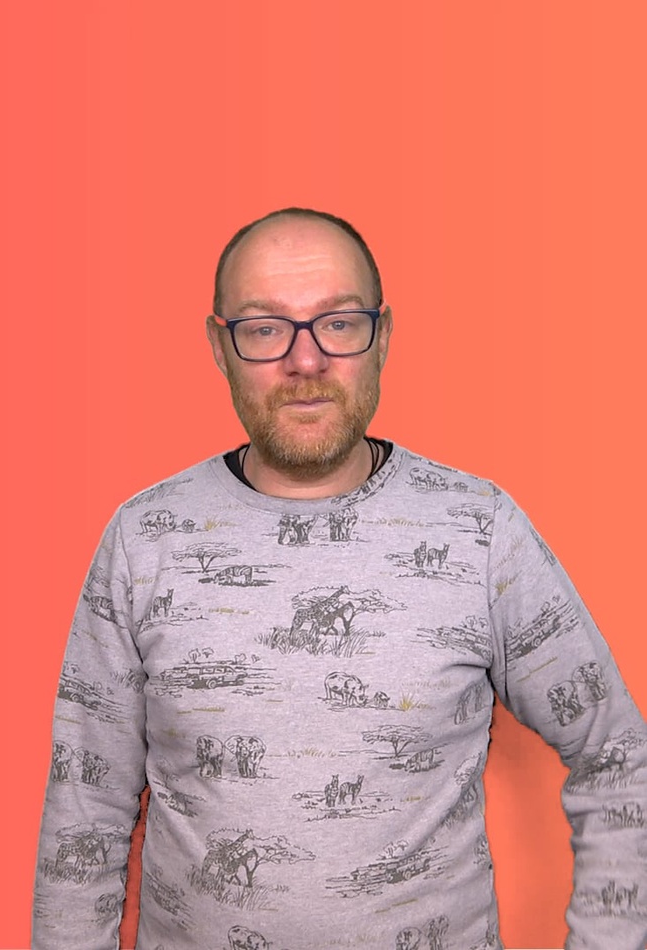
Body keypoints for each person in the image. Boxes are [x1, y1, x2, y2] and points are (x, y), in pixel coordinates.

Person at [33, 208, 647, 950]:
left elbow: (618, 757)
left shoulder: (481, 531)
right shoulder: (143, 539)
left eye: (338, 323)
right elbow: (85, 807)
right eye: (265, 328)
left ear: (382, 337)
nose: (306, 360)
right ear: (220, 347)